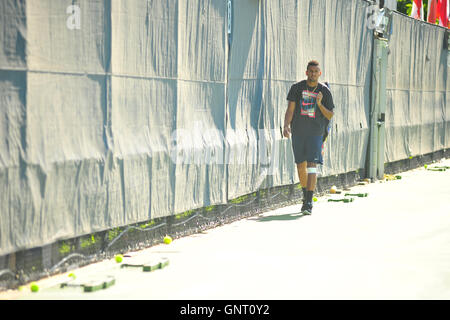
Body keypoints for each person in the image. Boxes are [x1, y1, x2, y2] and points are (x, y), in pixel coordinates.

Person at [283, 60, 335, 215]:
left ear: (320, 73)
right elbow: (290, 110)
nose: (313, 74)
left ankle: (309, 202)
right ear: (306, 72)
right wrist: (286, 125)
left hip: (316, 133)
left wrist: (319, 104)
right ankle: (305, 195)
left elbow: (330, 114)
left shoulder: (324, 91)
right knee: (300, 165)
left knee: (312, 165)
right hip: (298, 132)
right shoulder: (297, 88)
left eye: (316, 71)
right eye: (310, 71)